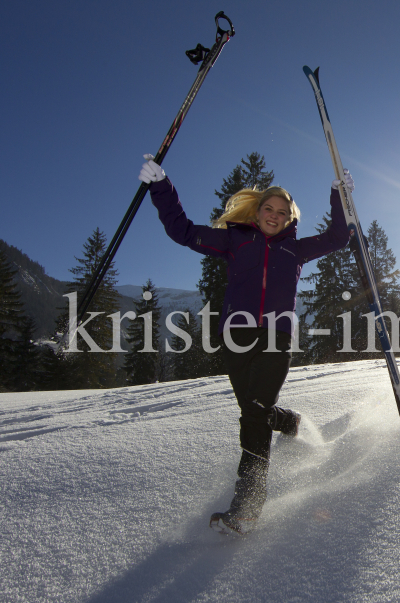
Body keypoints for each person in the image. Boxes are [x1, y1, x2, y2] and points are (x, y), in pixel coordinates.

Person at [139, 154, 353, 535]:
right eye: (268, 208)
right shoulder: (235, 241)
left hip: (276, 336)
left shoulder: (296, 250)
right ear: (256, 213)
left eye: (282, 212)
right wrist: (161, 186)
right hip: (236, 337)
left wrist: (339, 195)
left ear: (290, 218)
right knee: (254, 409)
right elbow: (184, 232)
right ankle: (287, 421)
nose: (274, 215)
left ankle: (249, 501)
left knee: (254, 410)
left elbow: (340, 237)